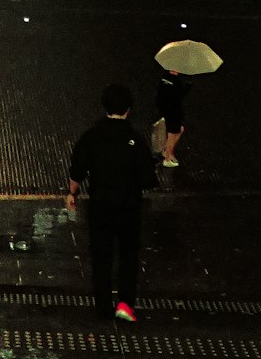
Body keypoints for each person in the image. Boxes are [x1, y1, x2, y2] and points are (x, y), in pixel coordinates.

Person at [66, 82, 156, 324]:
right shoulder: (135, 139)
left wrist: (72, 194)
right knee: (128, 255)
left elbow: (77, 169)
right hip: (128, 206)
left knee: (101, 256)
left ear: (105, 106)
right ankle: (125, 304)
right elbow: (148, 179)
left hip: (100, 205)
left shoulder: (91, 137)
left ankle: (103, 307)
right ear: (128, 109)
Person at [156, 57, 190, 169]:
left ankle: (166, 150)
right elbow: (178, 96)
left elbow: (160, 95)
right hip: (174, 111)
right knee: (172, 134)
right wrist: (187, 87)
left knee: (179, 129)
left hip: (165, 110)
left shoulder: (164, 78)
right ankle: (167, 158)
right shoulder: (176, 82)